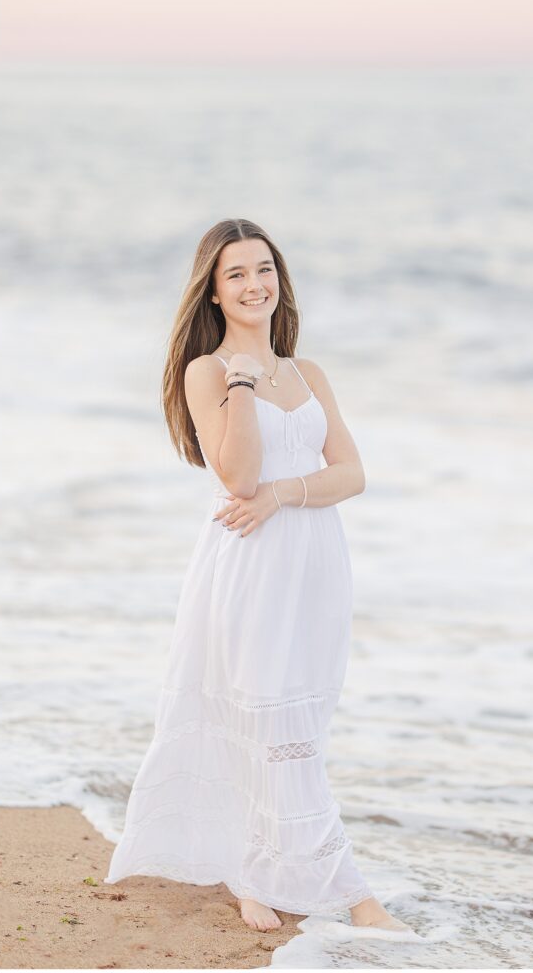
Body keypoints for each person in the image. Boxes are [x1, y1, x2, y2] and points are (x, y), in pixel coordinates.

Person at [104, 218, 409, 934]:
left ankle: (256, 869)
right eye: (236, 274)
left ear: (280, 279)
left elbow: (352, 474)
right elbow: (236, 473)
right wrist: (240, 384)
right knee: (260, 715)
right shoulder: (206, 371)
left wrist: (281, 494)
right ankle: (350, 893)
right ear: (212, 291)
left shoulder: (309, 375)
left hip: (316, 567)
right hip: (250, 567)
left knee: (297, 721)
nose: (254, 285)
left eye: (263, 269)